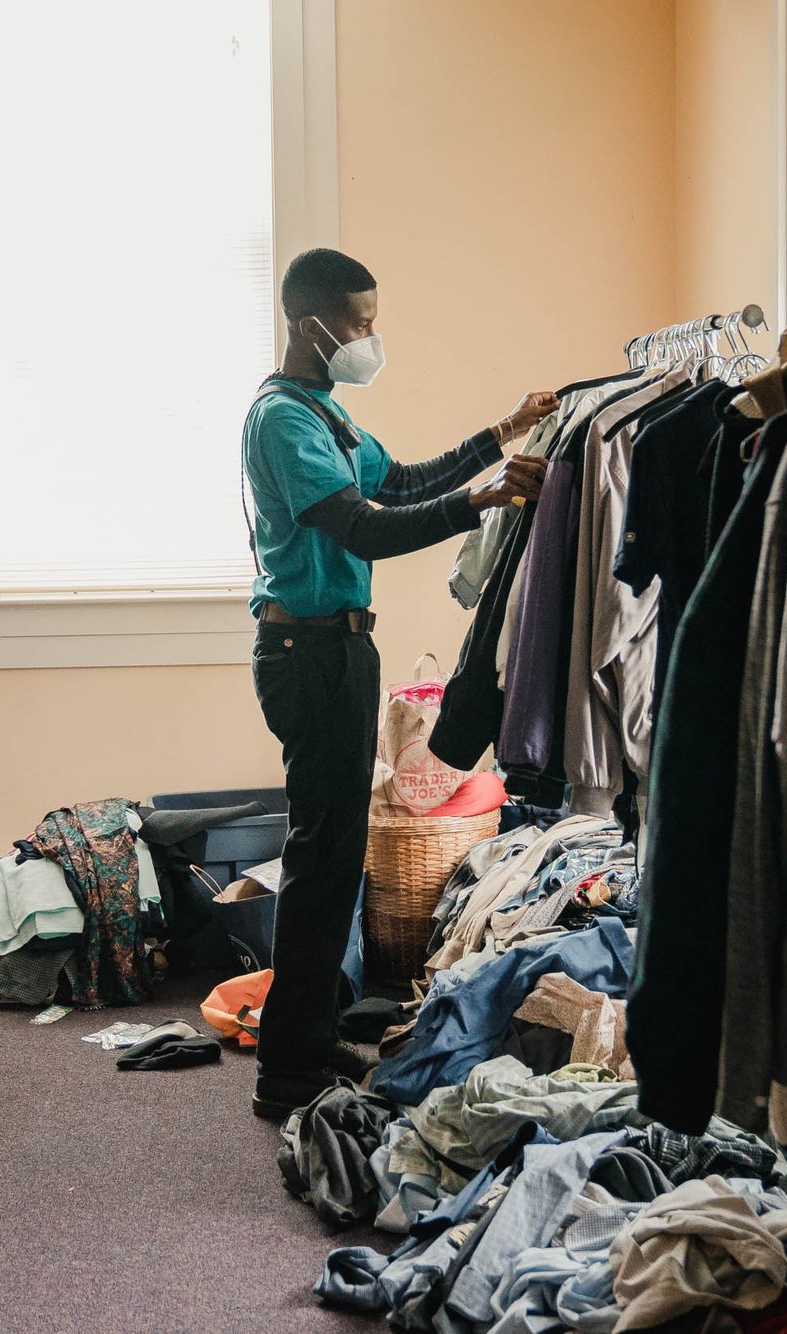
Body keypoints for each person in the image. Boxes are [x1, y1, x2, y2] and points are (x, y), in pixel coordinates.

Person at [241, 247, 557, 1119]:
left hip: (338, 650)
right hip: (307, 657)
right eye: (360, 322)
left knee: (337, 857)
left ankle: (309, 1034)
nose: (369, 337)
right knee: (321, 858)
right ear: (312, 324)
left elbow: (405, 480)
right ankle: (288, 1072)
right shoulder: (281, 421)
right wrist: (483, 500)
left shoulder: (325, 414)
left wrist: (503, 433)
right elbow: (360, 529)